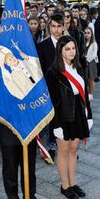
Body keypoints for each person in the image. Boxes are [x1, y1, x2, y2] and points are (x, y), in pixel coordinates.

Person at [45, 36, 92, 199]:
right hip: (62, 116)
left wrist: (89, 115)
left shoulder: (80, 66)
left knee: (74, 149)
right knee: (63, 151)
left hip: (79, 112)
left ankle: (73, 183)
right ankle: (65, 185)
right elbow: (52, 101)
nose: (72, 52)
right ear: (60, 51)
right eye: (68, 49)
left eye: (73, 48)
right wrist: (56, 124)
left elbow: (85, 93)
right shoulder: (53, 72)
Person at [37, 13, 65, 158]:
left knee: (67, 116)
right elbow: (40, 69)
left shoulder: (69, 43)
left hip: (66, 87)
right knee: (53, 118)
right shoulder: (42, 46)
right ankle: (52, 144)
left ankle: (66, 144)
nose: (56, 30)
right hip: (50, 87)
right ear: (49, 27)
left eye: (59, 26)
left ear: (63, 27)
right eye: (53, 26)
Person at [90, 7, 100, 79]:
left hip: (98, 41)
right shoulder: (90, 19)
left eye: (94, 15)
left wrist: (96, 38)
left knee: (99, 56)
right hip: (90, 41)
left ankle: (99, 70)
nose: (93, 16)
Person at [84, 27, 98, 100]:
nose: (86, 35)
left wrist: (87, 58)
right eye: (85, 33)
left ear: (92, 34)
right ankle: (86, 92)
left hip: (90, 62)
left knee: (91, 79)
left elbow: (94, 54)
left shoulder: (94, 43)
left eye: (88, 33)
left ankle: (90, 93)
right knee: (85, 78)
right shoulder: (83, 42)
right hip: (84, 62)